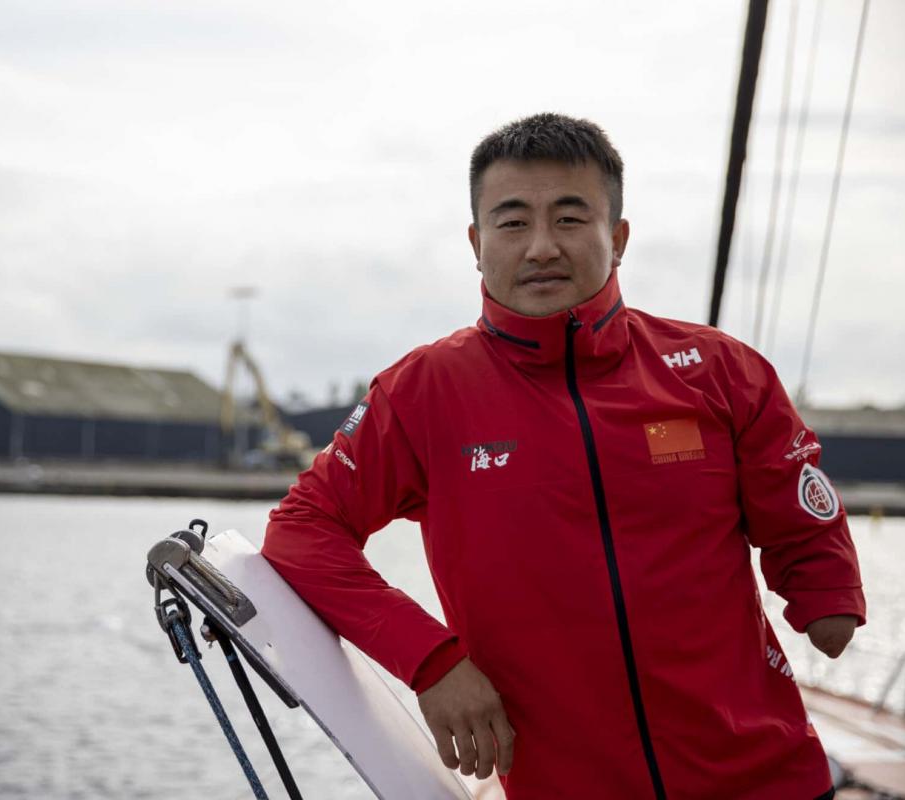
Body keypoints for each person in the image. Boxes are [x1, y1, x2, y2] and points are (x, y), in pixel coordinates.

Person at [261, 113, 864, 799]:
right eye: (513, 223)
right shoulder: (423, 393)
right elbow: (302, 531)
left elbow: (799, 509)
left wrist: (825, 590)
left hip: (768, 778)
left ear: (619, 237)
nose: (542, 246)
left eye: (571, 219)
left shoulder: (720, 371)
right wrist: (430, 661)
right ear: (476, 242)